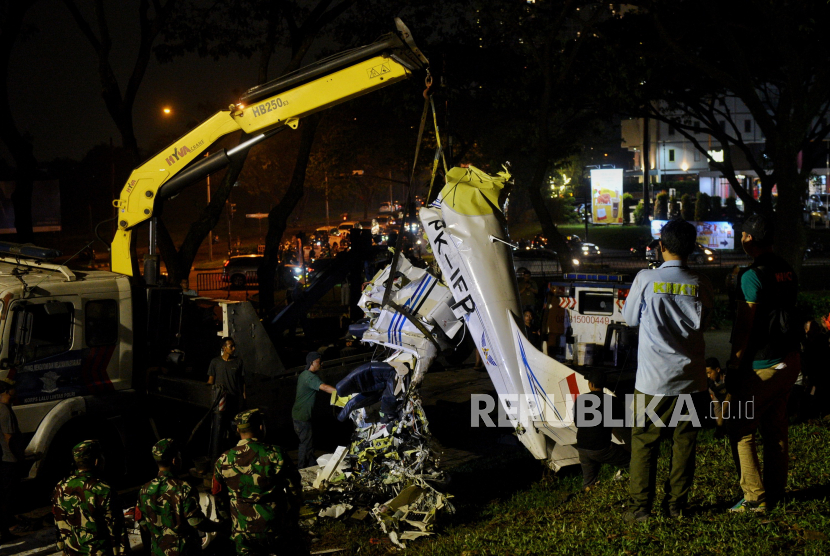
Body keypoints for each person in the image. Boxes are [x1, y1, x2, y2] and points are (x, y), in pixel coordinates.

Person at [621, 219, 714, 521]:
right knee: (684, 442)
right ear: (692, 248)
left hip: (652, 382)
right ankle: (676, 506)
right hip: (691, 380)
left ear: (661, 247)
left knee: (645, 443)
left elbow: (630, 319)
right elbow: (707, 323)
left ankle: (640, 509)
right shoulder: (701, 283)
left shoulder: (645, 279)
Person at [727, 213, 800, 513]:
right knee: (775, 427)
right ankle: (776, 490)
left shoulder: (751, 276)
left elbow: (745, 327)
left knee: (741, 429)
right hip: (789, 360)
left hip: (763, 366)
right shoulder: (787, 269)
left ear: (748, 239)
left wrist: (734, 365)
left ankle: (756, 498)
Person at [213, 409, 305, 556]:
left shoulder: (223, 459)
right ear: (261, 427)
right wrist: (293, 516)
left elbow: (218, 494)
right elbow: (294, 489)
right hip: (274, 526)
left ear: (237, 430)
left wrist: (227, 522)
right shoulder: (276, 454)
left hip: (242, 529)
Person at [136, 438, 219, 556]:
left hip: (158, 552)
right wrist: (219, 526)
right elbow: (196, 522)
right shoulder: (184, 488)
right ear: (174, 460)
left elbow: (143, 525)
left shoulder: (144, 490)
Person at [52, 440, 129, 555]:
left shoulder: (60, 487)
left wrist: (62, 547)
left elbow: (58, 521)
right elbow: (116, 530)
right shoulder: (102, 489)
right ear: (97, 461)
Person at [574, 370, 630, 491]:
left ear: (591, 384)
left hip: (582, 446)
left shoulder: (580, 399)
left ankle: (588, 493)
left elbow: (578, 423)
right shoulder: (612, 401)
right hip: (601, 448)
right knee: (631, 462)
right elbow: (623, 424)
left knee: (588, 482)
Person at [291, 352, 337, 469]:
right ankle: (301, 469)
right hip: (302, 417)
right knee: (306, 444)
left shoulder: (304, 374)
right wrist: (341, 392)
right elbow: (325, 388)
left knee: (308, 443)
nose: (321, 364)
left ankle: (312, 466)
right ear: (311, 363)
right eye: (318, 361)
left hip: (298, 415)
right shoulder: (310, 377)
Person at [208, 337, 246, 440]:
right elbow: (210, 381)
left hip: (235, 400)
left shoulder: (238, 362)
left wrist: (243, 395)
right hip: (221, 401)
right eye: (231, 346)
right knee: (220, 427)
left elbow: (242, 380)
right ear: (224, 347)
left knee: (234, 428)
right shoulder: (215, 362)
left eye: (234, 346)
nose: (234, 348)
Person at [0, 379, 21, 545]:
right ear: (6, 391)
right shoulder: (5, 411)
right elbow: (9, 438)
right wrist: (19, 457)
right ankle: (7, 528)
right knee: (7, 497)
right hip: (8, 459)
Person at [705, 357, 729, 426]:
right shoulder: (711, 386)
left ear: (717, 369)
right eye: (707, 373)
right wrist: (719, 422)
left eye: (710, 373)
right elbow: (716, 405)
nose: (708, 376)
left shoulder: (729, 377)